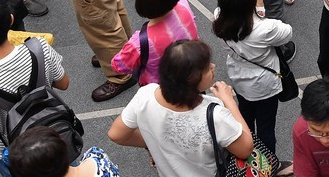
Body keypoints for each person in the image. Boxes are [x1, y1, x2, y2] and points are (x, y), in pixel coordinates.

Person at [108, 39, 254, 177]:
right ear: (192, 80)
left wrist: (155, 144)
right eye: (206, 67)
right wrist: (229, 101)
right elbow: (245, 149)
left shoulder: (145, 95)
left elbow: (116, 134)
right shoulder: (215, 114)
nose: (213, 66)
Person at [0, 0, 69, 176]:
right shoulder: (39, 47)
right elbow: (64, 83)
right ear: (11, 19)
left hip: (15, 154)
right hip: (55, 137)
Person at [211, 0, 294, 158]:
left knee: (243, 121)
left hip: (238, 77)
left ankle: (245, 162)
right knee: (266, 128)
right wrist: (261, 8)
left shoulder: (218, 17)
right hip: (265, 85)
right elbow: (288, 33)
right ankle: (267, 165)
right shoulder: (265, 28)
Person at [110, 0, 198, 86]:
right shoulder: (182, 3)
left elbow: (118, 65)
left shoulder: (140, 43)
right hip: (191, 73)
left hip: (160, 88)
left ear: (142, 4)